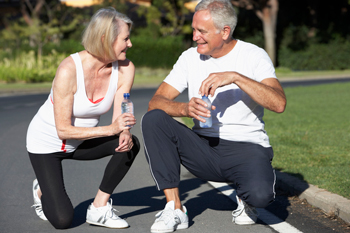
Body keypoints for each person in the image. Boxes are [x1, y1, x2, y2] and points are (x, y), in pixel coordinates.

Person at [141, 0, 287, 232]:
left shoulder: (253, 55)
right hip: (203, 148)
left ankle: (246, 198)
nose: (195, 36)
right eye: (194, 29)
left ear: (225, 31)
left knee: (261, 196)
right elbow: (155, 102)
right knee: (154, 119)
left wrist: (236, 77)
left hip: (247, 147)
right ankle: (174, 207)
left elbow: (278, 103)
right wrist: (185, 109)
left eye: (202, 31)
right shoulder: (189, 58)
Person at [26, 7, 140, 229]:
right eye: (125, 38)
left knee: (129, 144)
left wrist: (124, 130)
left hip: (80, 143)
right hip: (47, 145)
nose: (130, 44)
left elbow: (123, 105)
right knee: (62, 220)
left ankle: (99, 208)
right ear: (106, 38)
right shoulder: (69, 69)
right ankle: (41, 190)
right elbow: (63, 131)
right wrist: (110, 129)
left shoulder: (126, 69)